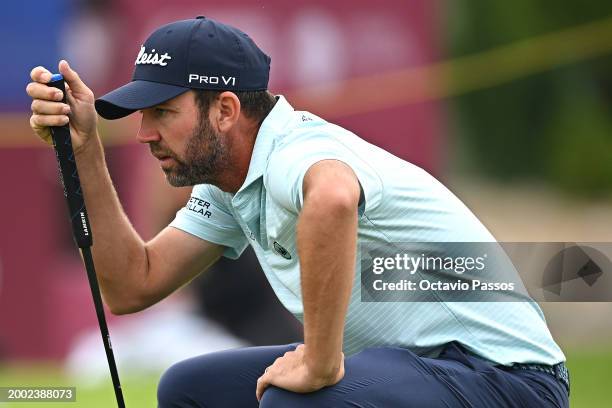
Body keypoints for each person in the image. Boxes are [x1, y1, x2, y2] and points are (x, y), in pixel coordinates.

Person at [27, 16, 569, 408]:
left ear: (225, 110)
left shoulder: (292, 151)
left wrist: (320, 362)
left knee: (297, 402)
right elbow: (132, 284)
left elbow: (331, 200)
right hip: (420, 368)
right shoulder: (229, 180)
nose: (145, 134)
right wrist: (85, 151)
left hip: (509, 381)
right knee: (187, 391)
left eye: (163, 113)